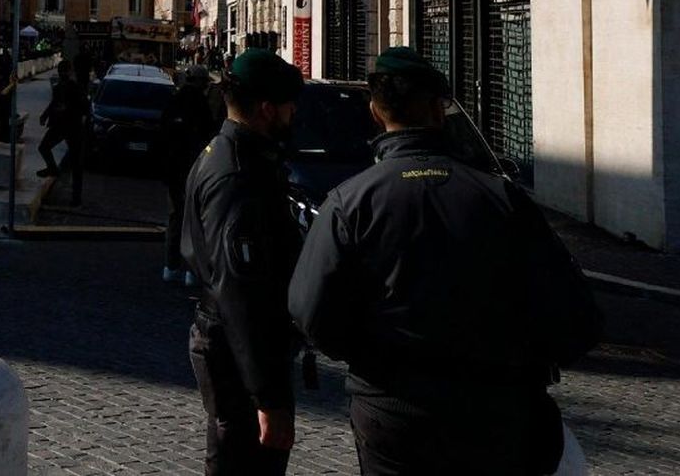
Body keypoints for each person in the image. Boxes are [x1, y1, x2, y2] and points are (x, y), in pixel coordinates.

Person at [288, 47, 601, 476]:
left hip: (392, 405)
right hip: (494, 406)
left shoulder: (350, 201)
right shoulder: (501, 196)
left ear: (376, 114)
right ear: (439, 111)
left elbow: (310, 311)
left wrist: (369, 358)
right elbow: (575, 313)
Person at [181, 48, 304, 476]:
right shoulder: (237, 173)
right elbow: (240, 290)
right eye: (289, 106)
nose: (294, 114)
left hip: (232, 341)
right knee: (244, 463)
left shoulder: (226, 151)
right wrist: (267, 397)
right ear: (268, 109)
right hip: (238, 348)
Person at [159, 67, 217, 284]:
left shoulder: (173, 101)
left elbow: (162, 136)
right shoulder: (201, 105)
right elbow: (209, 135)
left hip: (173, 170)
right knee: (194, 221)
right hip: (193, 169)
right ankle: (192, 271)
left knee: (174, 219)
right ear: (202, 82)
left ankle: (170, 266)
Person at [36, 60, 88, 205]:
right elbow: (54, 102)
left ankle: (76, 198)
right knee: (43, 147)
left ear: (70, 72)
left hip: (74, 127)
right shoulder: (58, 87)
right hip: (59, 126)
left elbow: (85, 107)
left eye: (65, 71)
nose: (62, 74)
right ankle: (52, 169)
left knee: (77, 165)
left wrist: (68, 110)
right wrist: (45, 115)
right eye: (61, 72)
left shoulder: (77, 88)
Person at [0, 47, 18, 143]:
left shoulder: (4, 75)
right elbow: (2, 92)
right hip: (1, 106)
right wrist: (12, 84)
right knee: (2, 124)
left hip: (5, 106)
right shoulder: (0, 76)